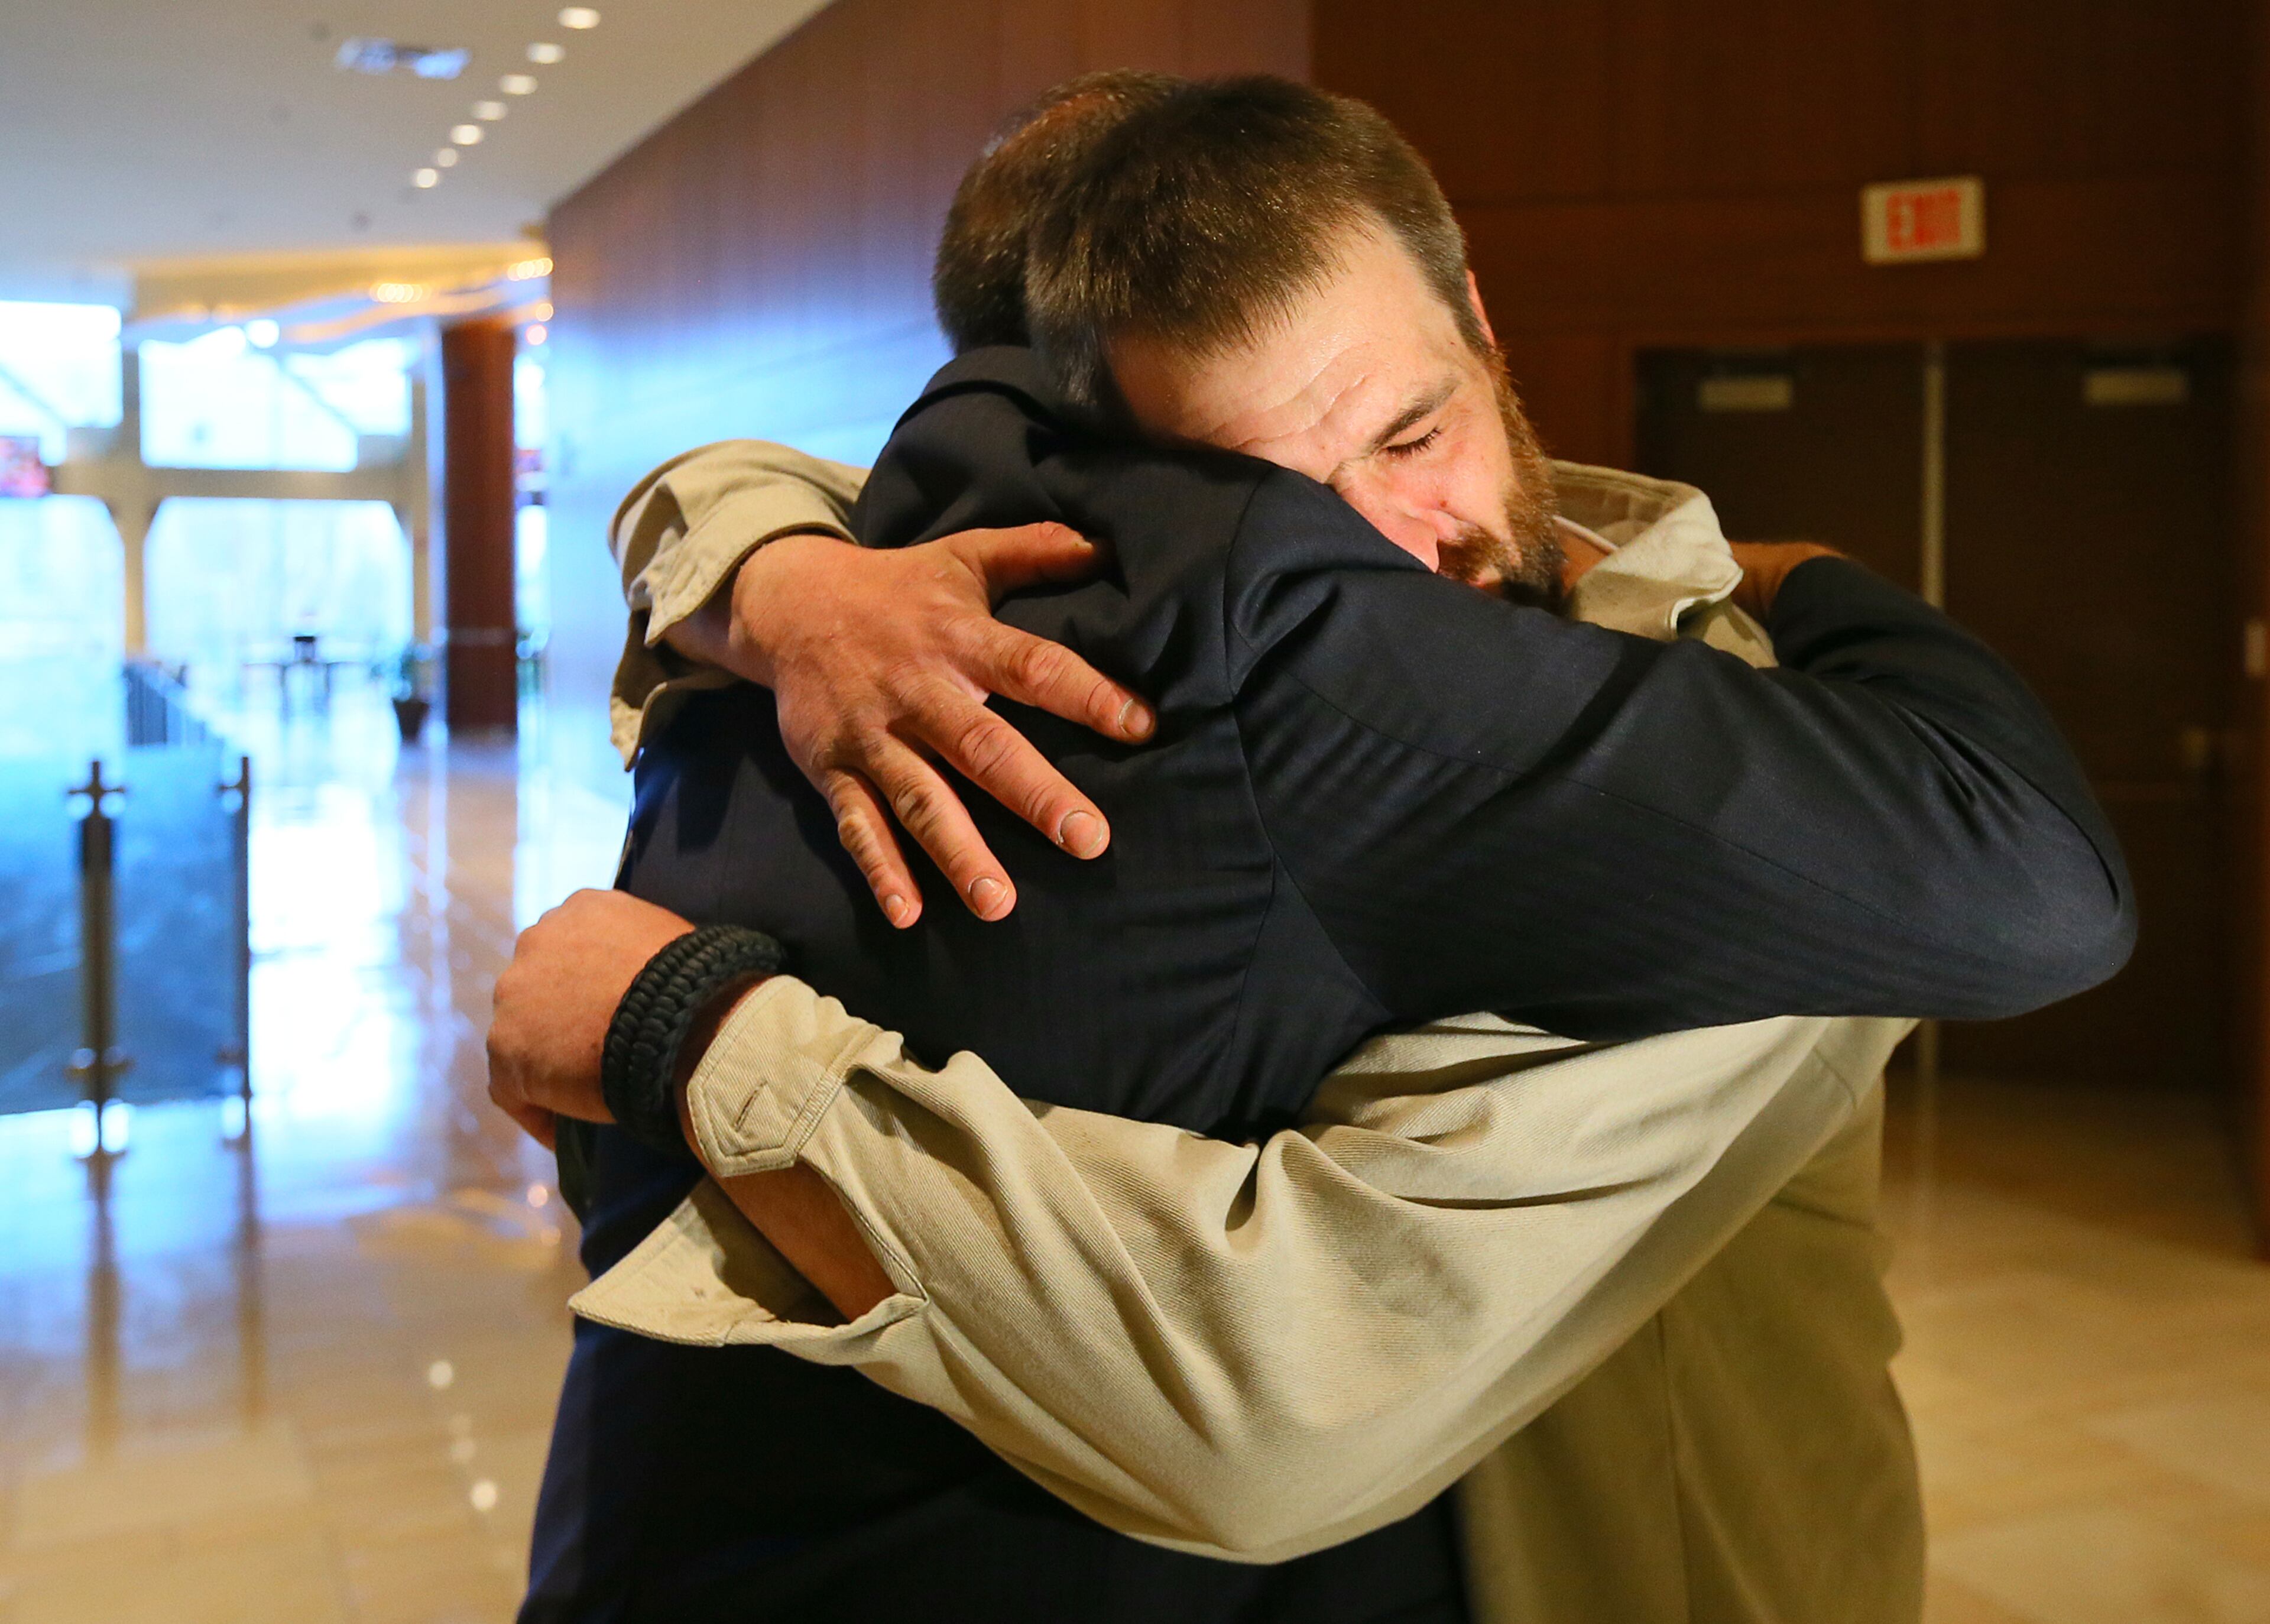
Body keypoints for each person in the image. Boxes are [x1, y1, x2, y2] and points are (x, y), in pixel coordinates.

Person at [491, 75, 2130, 1623]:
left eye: (1416, 433)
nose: (1400, 550)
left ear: (1478, 315)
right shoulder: (1176, 653)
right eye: (1285, 507)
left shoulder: (1747, 756)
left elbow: (1272, 1400)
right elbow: (749, 487)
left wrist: (694, 1035)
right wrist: (780, 575)